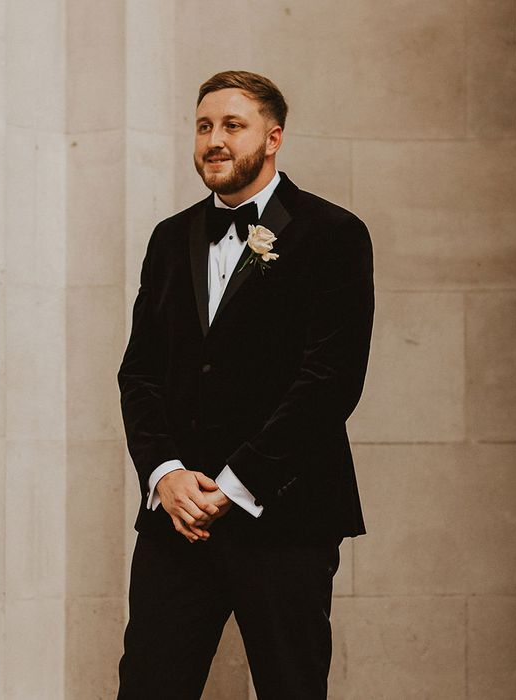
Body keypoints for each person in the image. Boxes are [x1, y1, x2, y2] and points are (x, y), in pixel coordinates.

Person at [116, 70, 374, 699]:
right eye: (204, 126)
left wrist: (234, 484)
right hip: (177, 521)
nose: (214, 140)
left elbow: (330, 381)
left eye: (233, 125)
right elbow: (140, 372)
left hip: (285, 517)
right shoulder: (169, 237)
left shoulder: (333, 233)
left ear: (274, 137)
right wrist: (165, 474)